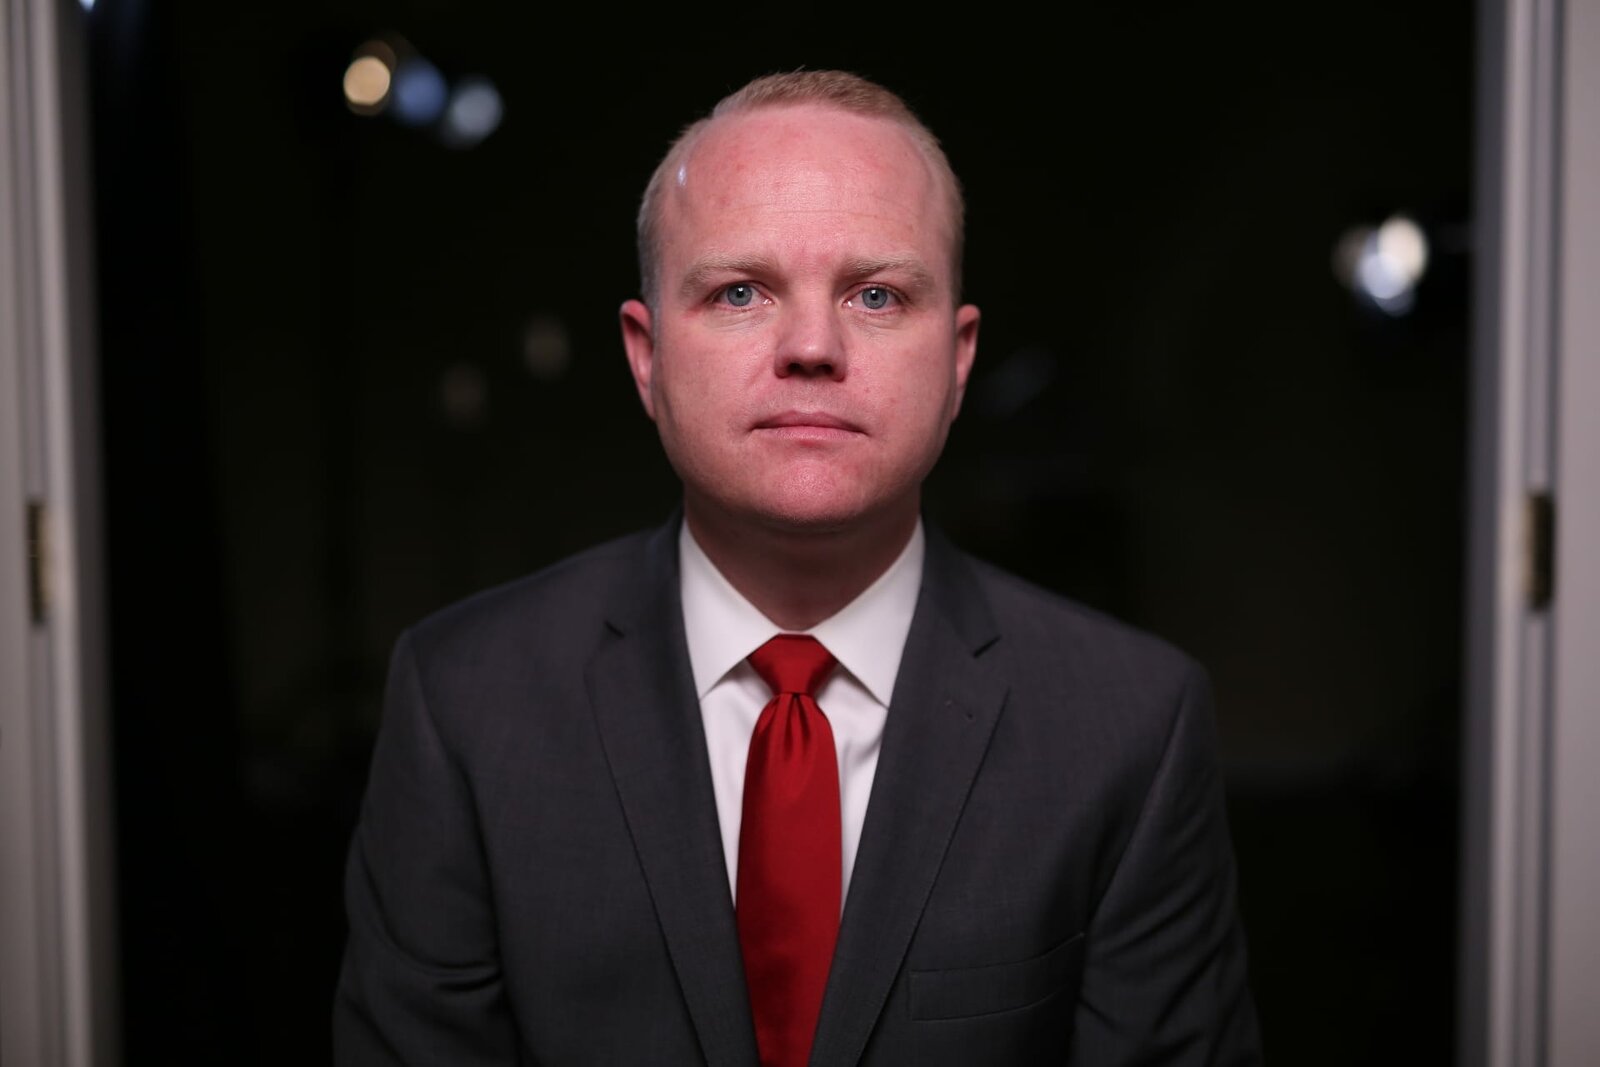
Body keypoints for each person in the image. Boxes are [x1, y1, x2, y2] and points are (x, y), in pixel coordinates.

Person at [333, 69, 1261, 1065]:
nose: (813, 346)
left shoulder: (1129, 724)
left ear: (957, 362)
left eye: (877, 294)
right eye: (739, 291)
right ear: (646, 356)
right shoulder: (465, 702)